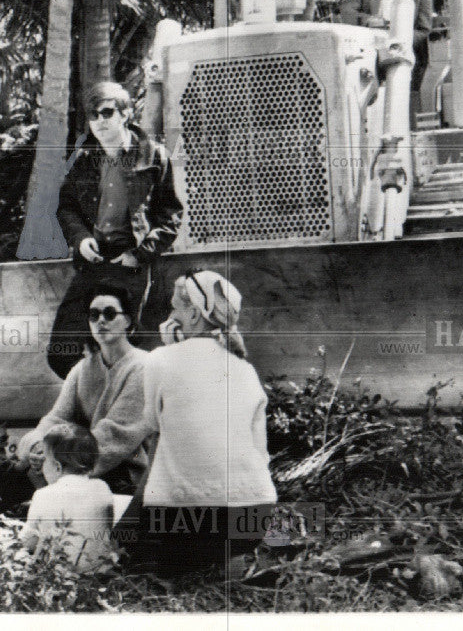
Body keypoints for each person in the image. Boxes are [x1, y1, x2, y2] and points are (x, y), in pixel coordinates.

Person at [115, 271, 277, 575]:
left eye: (174, 308)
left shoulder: (159, 360)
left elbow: (152, 423)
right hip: (254, 520)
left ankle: (174, 557)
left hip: (182, 525)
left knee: (163, 451)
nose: (170, 316)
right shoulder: (245, 368)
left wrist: (171, 350)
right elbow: (262, 453)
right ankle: (225, 559)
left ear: (191, 315)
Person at [47, 81, 182, 378]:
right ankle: (94, 400)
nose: (99, 121)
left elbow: (170, 216)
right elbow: (66, 207)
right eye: (93, 116)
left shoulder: (153, 157)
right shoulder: (84, 161)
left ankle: (121, 416)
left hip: (131, 265)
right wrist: (80, 239)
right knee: (62, 351)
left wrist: (140, 253)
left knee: (127, 351)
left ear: (125, 114)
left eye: (107, 113)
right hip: (93, 264)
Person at [17, 282, 150, 495]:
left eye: (109, 314)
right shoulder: (83, 368)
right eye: (93, 315)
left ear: (127, 321)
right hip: (77, 466)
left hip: (124, 476)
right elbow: (57, 418)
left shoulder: (143, 366)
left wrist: (54, 458)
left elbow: (114, 435)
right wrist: (36, 444)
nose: (101, 321)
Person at [334, 0, 435, 89]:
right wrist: (368, 20)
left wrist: (398, 40)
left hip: (404, 54)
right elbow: (346, 10)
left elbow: (424, 29)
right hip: (370, 52)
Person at [20, 423, 114, 571]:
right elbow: (107, 530)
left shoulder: (42, 495)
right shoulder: (102, 488)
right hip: (98, 572)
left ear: (57, 467)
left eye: (44, 461)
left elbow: (29, 541)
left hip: (60, 575)